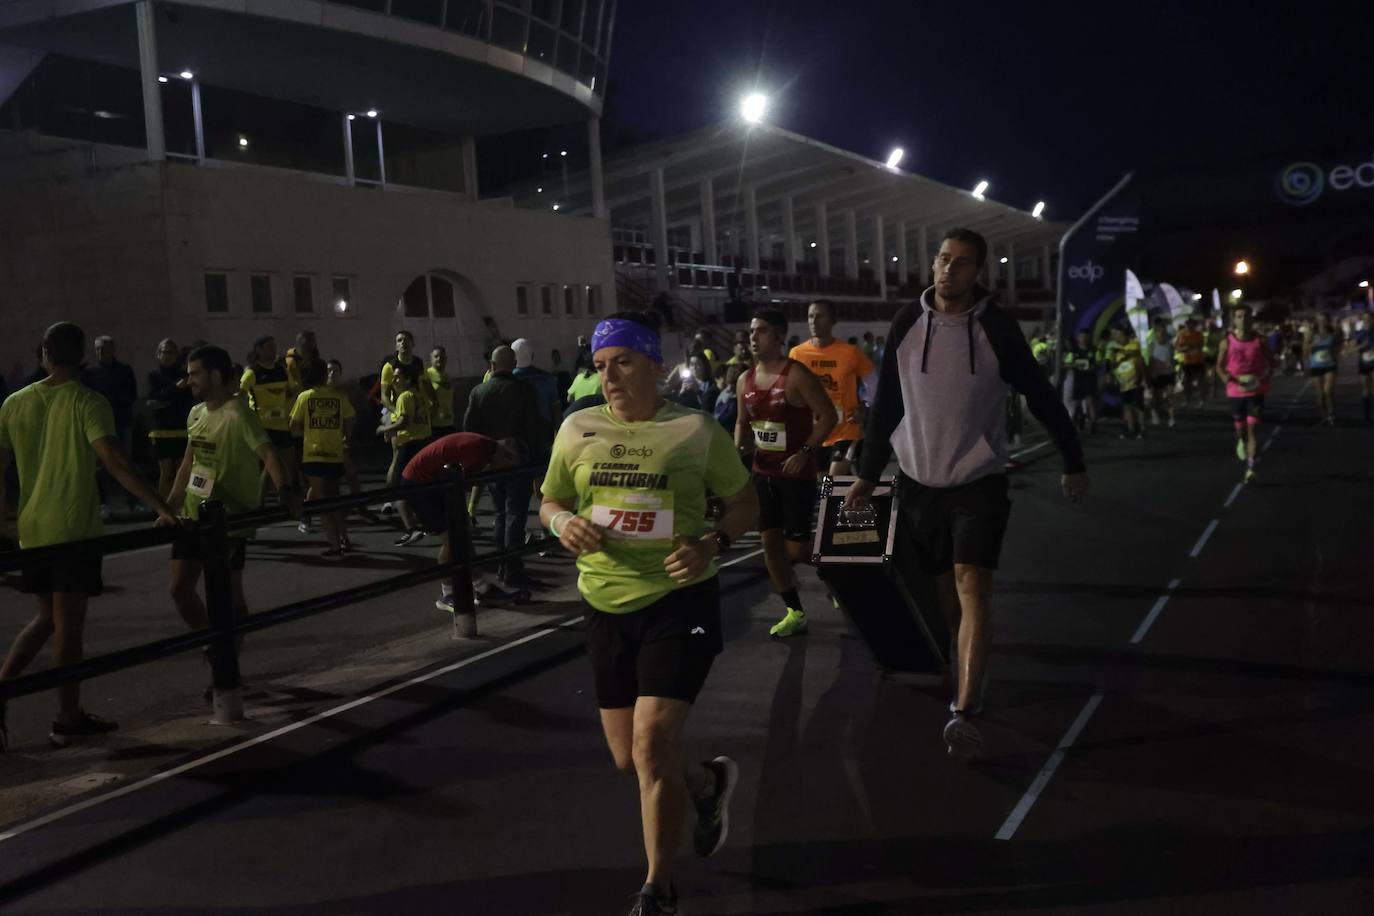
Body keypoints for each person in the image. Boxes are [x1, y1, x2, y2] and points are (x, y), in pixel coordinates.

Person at [538, 313, 757, 916]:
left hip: (678, 600)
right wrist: (562, 522)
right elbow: (550, 497)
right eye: (601, 366)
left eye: (623, 362)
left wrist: (711, 542)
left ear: (656, 366)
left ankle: (658, 888)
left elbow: (743, 501)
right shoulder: (576, 428)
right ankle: (708, 784)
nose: (609, 376)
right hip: (604, 603)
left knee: (652, 740)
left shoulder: (695, 429)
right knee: (628, 757)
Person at [843, 228, 1088, 760]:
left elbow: (1040, 394)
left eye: (960, 263)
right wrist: (867, 473)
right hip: (917, 482)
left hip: (979, 480)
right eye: (942, 259)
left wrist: (1072, 458)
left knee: (970, 582)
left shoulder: (997, 328)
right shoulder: (907, 322)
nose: (947, 270)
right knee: (943, 592)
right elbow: (887, 404)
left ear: (979, 272)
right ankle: (961, 666)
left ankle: (965, 707)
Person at [0, 322, 175, 751]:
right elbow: (114, 461)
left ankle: (2, 690)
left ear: (44, 352)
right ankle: (68, 717)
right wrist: (161, 506)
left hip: (33, 527)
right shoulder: (87, 401)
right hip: (73, 527)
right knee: (68, 629)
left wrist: (2, 519)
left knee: (47, 617)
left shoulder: (14, 403)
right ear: (82, 355)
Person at [167, 345, 298, 640]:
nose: (189, 381)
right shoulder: (194, 413)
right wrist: (170, 506)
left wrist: (286, 491)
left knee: (229, 594)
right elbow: (188, 464)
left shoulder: (239, 413)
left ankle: (229, 660)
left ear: (214, 375)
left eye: (194, 374)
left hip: (230, 520)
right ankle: (214, 646)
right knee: (179, 588)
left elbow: (270, 455)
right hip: (192, 514)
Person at [737, 308, 837, 638]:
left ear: (779, 336)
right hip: (763, 474)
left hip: (796, 476)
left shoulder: (796, 375)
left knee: (796, 551)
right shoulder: (744, 380)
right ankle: (795, 611)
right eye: (752, 331)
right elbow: (742, 422)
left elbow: (827, 416)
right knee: (770, 546)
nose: (754, 336)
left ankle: (837, 572)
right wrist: (740, 451)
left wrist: (806, 451)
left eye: (762, 331)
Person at [400, 432, 527, 611]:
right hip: (420, 482)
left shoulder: (485, 450)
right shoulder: (477, 450)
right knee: (451, 538)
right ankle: (447, 593)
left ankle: (482, 588)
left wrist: (468, 511)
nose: (503, 469)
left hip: (432, 482)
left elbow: (464, 481)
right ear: (506, 452)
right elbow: (456, 481)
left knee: (462, 534)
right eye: (507, 464)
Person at [463, 346, 544, 587]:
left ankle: (501, 564)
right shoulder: (524, 390)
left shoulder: (478, 392)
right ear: (514, 363)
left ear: (492, 365)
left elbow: (469, 428)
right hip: (518, 459)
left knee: (499, 514)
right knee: (515, 515)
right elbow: (534, 428)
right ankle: (513, 567)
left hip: (491, 460)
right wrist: (538, 460)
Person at [788, 299, 875, 476]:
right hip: (813, 434)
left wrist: (864, 407)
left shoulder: (850, 352)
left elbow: (874, 383)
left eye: (820, 316)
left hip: (845, 431)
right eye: (810, 316)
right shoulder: (796, 354)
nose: (813, 321)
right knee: (824, 489)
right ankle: (857, 500)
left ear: (833, 321)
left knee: (834, 480)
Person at [290, 360, 356, 558]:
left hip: (313, 455)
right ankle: (344, 537)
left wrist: (308, 434)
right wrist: (345, 436)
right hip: (335, 455)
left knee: (321, 502)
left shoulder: (305, 397)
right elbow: (351, 417)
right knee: (333, 497)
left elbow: (293, 427)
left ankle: (335, 546)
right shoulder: (338, 397)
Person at [83, 335, 140, 518]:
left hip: (121, 422)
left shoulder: (123, 370)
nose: (100, 352)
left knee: (126, 463)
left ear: (112, 350)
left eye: (103, 348)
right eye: (97, 349)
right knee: (100, 467)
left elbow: (131, 394)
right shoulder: (89, 372)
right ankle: (103, 504)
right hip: (98, 426)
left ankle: (133, 501)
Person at [1215, 305, 1273, 483]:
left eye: (1247, 316)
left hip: (1255, 390)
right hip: (1235, 390)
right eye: (1239, 316)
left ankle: (1250, 468)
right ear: (1234, 320)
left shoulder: (1260, 340)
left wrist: (1263, 378)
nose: (1243, 319)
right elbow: (1219, 366)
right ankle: (1241, 441)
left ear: (1251, 319)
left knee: (1253, 430)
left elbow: (1271, 363)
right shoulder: (1226, 341)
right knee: (1241, 432)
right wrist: (1227, 379)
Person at [378, 360, 433, 545]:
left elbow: (404, 422)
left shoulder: (404, 397)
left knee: (398, 488)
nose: (394, 380)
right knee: (419, 486)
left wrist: (384, 429)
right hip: (424, 443)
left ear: (408, 378)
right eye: (393, 377)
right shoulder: (420, 395)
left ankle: (412, 528)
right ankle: (428, 522)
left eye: (398, 377)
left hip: (410, 445)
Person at [379, 330, 431, 516]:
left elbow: (424, 386)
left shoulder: (417, 363)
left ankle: (412, 496)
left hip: (415, 411)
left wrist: (431, 404)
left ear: (412, 343)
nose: (403, 343)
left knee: (416, 456)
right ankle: (389, 499)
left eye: (406, 340)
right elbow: (384, 396)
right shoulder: (390, 366)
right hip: (397, 410)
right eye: (399, 340)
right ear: (395, 345)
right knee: (398, 454)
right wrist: (397, 413)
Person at [240, 335, 298, 498]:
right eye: (269, 347)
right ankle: (260, 504)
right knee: (270, 463)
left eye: (274, 346)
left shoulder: (281, 370)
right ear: (259, 350)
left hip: (282, 425)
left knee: (287, 464)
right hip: (262, 427)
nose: (273, 350)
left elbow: (292, 389)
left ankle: (281, 500)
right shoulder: (252, 373)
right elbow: (240, 394)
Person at [146, 337, 194, 500]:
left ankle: (181, 505)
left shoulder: (184, 374)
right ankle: (164, 508)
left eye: (171, 352)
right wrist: (174, 389)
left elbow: (187, 399)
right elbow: (153, 400)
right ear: (158, 354)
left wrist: (166, 399)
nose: (167, 355)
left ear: (176, 355)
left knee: (183, 470)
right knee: (166, 471)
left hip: (181, 427)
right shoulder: (153, 375)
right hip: (161, 429)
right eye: (164, 352)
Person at [1110, 326, 1148, 439]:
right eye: (1116, 336)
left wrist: (1144, 378)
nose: (1118, 338)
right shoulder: (1115, 351)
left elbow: (1136, 354)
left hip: (1135, 382)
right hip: (1123, 383)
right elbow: (1113, 366)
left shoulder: (1133, 344)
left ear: (1126, 335)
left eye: (1120, 335)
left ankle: (1142, 428)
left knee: (1138, 406)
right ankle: (1131, 429)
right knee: (1127, 406)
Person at [1305, 312, 1340, 425]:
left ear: (1327, 321)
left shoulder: (1332, 333)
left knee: (1328, 391)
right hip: (1316, 366)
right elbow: (1305, 348)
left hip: (1330, 365)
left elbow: (1337, 347)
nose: (1321, 322)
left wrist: (1336, 357)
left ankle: (1332, 415)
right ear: (1316, 321)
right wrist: (1313, 346)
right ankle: (1324, 415)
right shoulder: (1311, 333)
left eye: (1323, 319)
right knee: (1320, 395)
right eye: (1319, 320)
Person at [1063, 329, 1099, 433]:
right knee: (1077, 402)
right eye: (1081, 336)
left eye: (1085, 336)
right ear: (1078, 338)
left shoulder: (1093, 350)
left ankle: (1093, 424)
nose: (1083, 339)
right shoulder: (1073, 351)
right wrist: (1076, 365)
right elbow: (1065, 364)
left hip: (1090, 379)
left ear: (1088, 338)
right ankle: (1078, 421)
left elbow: (1098, 363)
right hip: (1078, 379)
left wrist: (1092, 367)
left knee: (1090, 401)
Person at [1146, 315, 1177, 428]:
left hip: (1168, 374)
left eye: (1163, 332)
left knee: (1170, 396)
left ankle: (1171, 418)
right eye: (1159, 332)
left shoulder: (1169, 345)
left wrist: (1172, 364)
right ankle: (1155, 413)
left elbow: (1172, 358)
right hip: (1157, 374)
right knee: (1157, 398)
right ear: (1156, 333)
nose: (1162, 334)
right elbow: (1150, 360)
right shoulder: (1152, 345)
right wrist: (1151, 373)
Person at [1175, 318, 1207, 407]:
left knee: (1201, 381)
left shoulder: (1199, 334)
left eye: (1192, 324)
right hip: (1187, 362)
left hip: (1198, 361)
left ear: (1195, 325)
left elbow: (1200, 345)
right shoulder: (1182, 335)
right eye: (1188, 324)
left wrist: (1188, 346)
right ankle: (1187, 399)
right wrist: (1185, 348)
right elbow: (1178, 348)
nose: (1190, 326)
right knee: (1187, 382)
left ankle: (1201, 400)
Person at [427, 346, 457, 439]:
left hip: (449, 422)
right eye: (436, 356)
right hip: (434, 425)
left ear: (446, 359)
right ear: (431, 358)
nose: (439, 359)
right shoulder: (427, 375)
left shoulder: (447, 376)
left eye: (442, 357)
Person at [284, 330, 326, 394]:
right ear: (300, 342)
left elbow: (323, 384)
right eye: (309, 340)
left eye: (313, 340)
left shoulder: (320, 364)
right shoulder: (289, 362)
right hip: (294, 400)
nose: (313, 343)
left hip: (313, 398)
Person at [1354, 311, 1374, 423]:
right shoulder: (1359, 333)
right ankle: (1367, 415)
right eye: (1365, 318)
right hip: (1363, 363)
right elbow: (1352, 348)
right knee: (1366, 389)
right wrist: (1361, 345)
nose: (1367, 320)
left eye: (1370, 318)